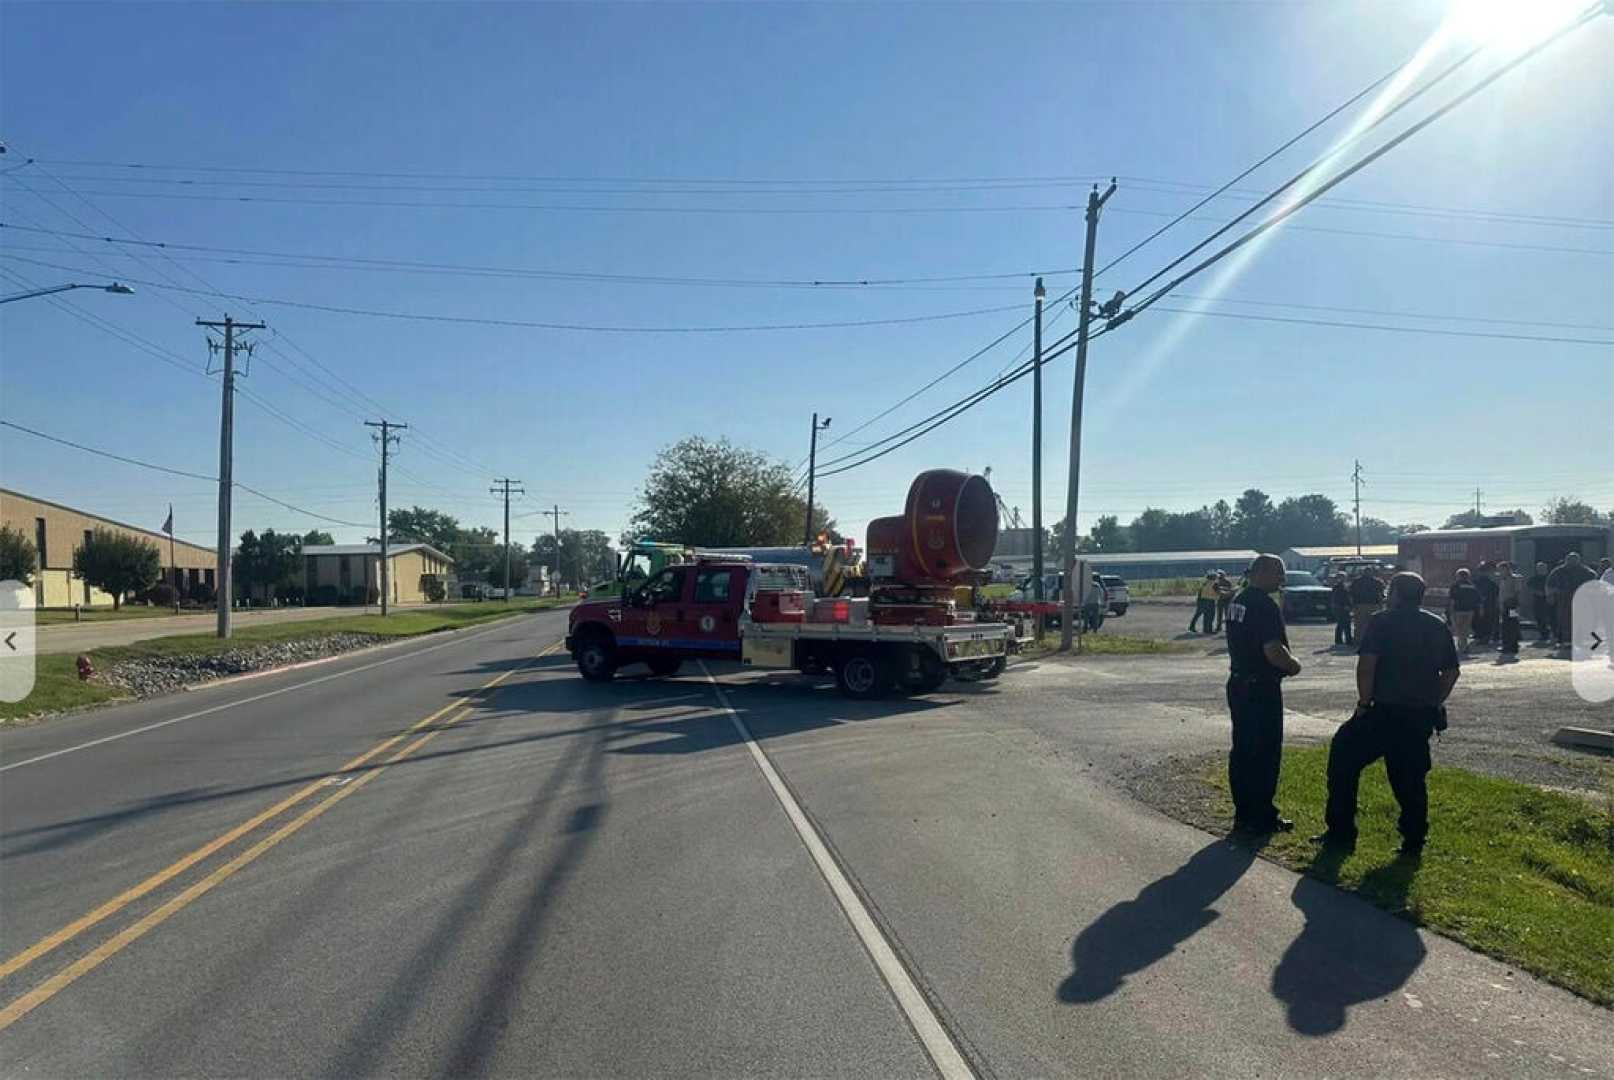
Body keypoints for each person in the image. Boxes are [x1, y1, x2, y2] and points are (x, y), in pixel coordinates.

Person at [1315, 572, 1459, 856]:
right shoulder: (1436, 624)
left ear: (1395, 594)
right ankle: (1413, 840)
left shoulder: (1381, 621)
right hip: (1418, 715)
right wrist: (1433, 701)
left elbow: (1367, 665)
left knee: (1343, 761)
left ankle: (1341, 832)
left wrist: (1364, 703)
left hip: (1382, 711)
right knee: (1410, 778)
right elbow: (1451, 672)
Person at [1223, 554, 1301, 836]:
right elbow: (1273, 650)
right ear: (1261, 572)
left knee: (1243, 750)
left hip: (1239, 683)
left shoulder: (1238, 601)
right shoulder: (1263, 604)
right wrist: (1293, 666)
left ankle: (1244, 813)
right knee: (1265, 752)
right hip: (1261, 687)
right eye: (1278, 572)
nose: (1282, 578)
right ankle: (1262, 816)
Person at [1548, 552, 1597, 645]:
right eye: (1570, 559)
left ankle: (1581, 640)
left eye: (1574, 560)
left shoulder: (1586, 572)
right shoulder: (1558, 571)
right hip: (1564, 599)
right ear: (1566, 560)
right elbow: (1550, 585)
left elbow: (1594, 583)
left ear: (1579, 560)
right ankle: (1566, 640)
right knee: (1564, 620)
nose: (1572, 562)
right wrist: (1550, 596)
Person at [1348, 568, 1385, 649]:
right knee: (1374, 624)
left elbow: (1351, 594)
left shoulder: (1356, 581)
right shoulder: (1378, 582)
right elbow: (1381, 594)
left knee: (1359, 624)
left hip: (1360, 605)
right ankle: (1374, 640)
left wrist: (1352, 606)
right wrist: (1381, 606)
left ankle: (1358, 641)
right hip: (1373, 605)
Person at [1446, 568, 1479, 653]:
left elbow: (1452, 599)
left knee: (1459, 629)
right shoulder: (1472, 586)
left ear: (1458, 576)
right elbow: (1477, 598)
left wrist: (1450, 610)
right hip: (1469, 610)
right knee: (1466, 629)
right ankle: (1464, 645)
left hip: (1458, 610)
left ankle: (1462, 646)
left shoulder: (1455, 586)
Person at [1496, 559, 1522, 655]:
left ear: (1507, 569)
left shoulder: (1515, 578)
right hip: (1504, 605)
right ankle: (1506, 645)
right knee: (1505, 625)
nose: (1500, 572)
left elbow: (1517, 592)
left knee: (1512, 624)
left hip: (1512, 605)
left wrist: (1517, 605)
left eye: (1501, 570)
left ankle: (1512, 645)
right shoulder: (1502, 580)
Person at [1472, 562, 1500, 646]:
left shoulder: (1488, 583)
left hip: (1485, 605)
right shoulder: (1490, 583)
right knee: (1484, 621)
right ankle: (1483, 636)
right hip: (1486, 605)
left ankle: (1484, 637)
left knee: (1484, 621)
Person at [1525, 560, 1553, 643]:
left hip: (1549, 600)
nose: (1541, 569)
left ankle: (1552, 634)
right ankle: (1543, 634)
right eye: (1539, 568)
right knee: (1539, 617)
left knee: (1550, 617)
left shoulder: (1550, 577)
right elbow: (1528, 587)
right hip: (1538, 600)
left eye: (1543, 568)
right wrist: (1536, 592)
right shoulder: (1534, 579)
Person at [1330, 572, 1353, 647]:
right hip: (1341, 607)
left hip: (1340, 607)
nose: (1344, 578)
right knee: (1345, 623)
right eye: (1342, 577)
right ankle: (1347, 640)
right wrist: (1345, 605)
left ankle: (1340, 640)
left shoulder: (1343, 586)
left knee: (1341, 624)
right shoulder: (1339, 587)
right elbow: (1340, 598)